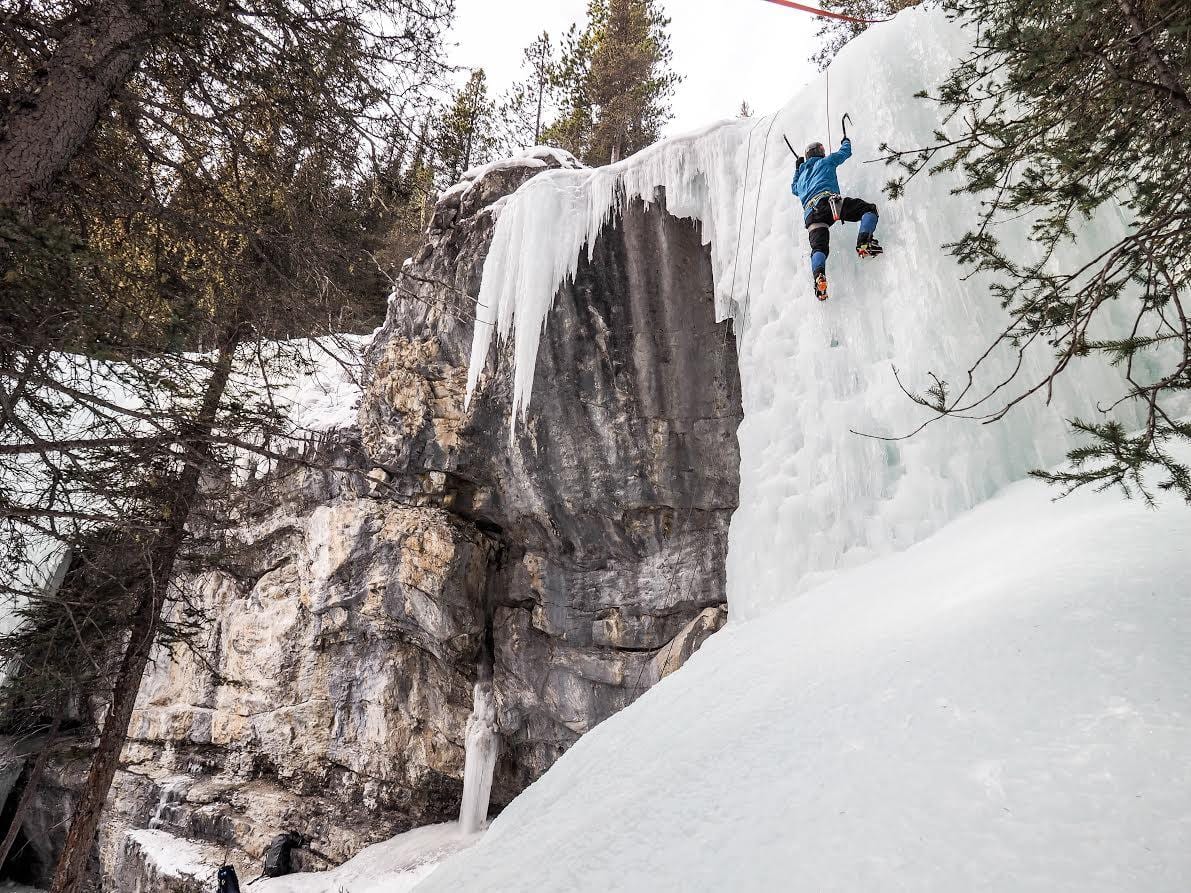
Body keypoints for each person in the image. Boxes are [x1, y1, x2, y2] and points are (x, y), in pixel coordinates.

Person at [791, 136, 882, 301]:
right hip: (829, 203)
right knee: (869, 210)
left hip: (811, 216)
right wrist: (845, 141)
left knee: (819, 249)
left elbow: (794, 189)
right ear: (820, 152)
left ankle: (819, 277)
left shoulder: (802, 176)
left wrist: (798, 168)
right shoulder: (826, 162)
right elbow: (845, 153)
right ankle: (864, 242)